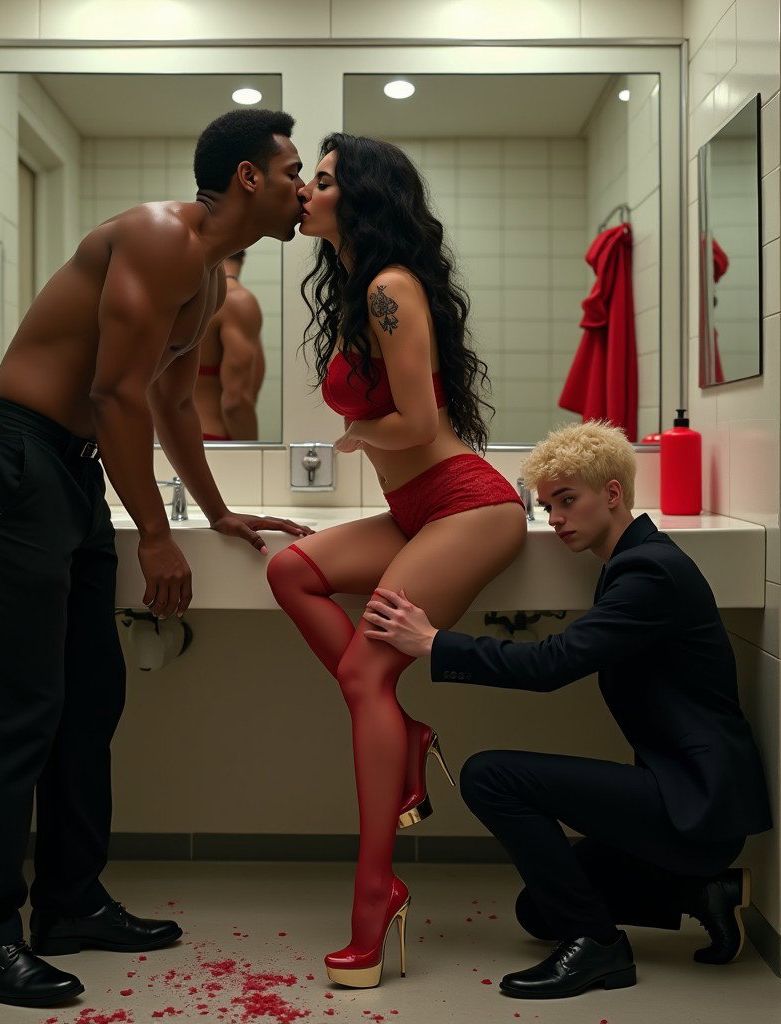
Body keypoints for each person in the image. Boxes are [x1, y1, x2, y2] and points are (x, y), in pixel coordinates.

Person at [0, 108, 313, 1008]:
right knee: (15, 705)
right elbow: (113, 393)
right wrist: (153, 532)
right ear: (248, 178)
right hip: (14, 460)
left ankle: (68, 903)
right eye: (295, 169)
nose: (307, 188)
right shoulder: (157, 237)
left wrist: (217, 513)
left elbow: (175, 404)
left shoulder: (215, 287)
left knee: (88, 695)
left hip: (64, 475)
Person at [362, 420, 772, 1000]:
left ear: (612, 494)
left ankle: (601, 948)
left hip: (696, 804)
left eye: (567, 500)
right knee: (538, 910)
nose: (553, 518)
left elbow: (551, 665)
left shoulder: (650, 573)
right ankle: (702, 893)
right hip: (686, 798)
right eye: (546, 503)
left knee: (489, 775)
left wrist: (434, 642)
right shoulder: (635, 561)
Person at [267, 133, 527, 989]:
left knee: (363, 678)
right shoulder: (355, 289)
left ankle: (373, 897)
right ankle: (404, 730)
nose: (307, 190)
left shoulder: (388, 287)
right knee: (291, 570)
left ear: (363, 198)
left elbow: (417, 423)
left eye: (326, 181)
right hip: (414, 510)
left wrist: (354, 433)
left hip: (468, 504)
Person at [194, 249, 267, 441]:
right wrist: (252, 452)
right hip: (216, 441)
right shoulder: (236, 301)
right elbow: (235, 402)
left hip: (173, 442)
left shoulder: (178, 297)